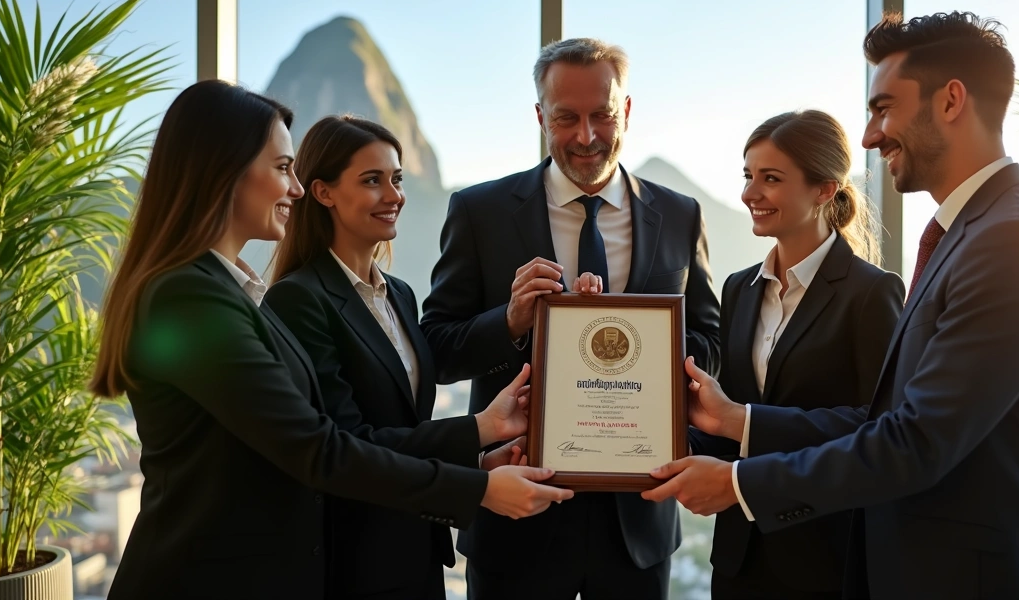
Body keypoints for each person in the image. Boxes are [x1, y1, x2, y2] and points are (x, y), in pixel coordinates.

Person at [644, 12, 1019, 600]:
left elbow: (915, 442)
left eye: (884, 107)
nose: (867, 136)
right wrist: (730, 422)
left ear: (951, 101)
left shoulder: (1014, 240)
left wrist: (741, 484)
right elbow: (887, 419)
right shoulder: (968, 234)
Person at [91, 81, 572, 600]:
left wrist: (479, 451)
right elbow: (319, 447)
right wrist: (477, 484)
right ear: (225, 171)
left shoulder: (227, 291)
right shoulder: (192, 297)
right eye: (282, 168)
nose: (295, 189)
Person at [420, 38, 722, 599]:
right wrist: (510, 321)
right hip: (516, 517)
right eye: (566, 119)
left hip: (638, 523)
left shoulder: (681, 215)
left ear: (626, 111)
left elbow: (709, 340)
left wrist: (645, 338)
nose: (586, 137)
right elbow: (435, 348)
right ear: (540, 117)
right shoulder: (479, 212)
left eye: (602, 115)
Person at [264, 114, 528, 599]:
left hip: (417, 545)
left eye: (397, 179)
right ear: (322, 192)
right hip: (354, 560)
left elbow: (403, 425)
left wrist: (478, 461)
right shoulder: (298, 299)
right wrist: (481, 428)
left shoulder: (400, 296)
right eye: (372, 180)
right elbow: (347, 443)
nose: (394, 195)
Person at [689, 110, 903, 599]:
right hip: (740, 557)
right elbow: (728, 422)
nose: (749, 194)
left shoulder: (872, 293)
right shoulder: (739, 288)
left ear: (824, 189)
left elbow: (880, 426)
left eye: (770, 179)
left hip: (827, 557)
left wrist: (742, 421)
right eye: (748, 176)